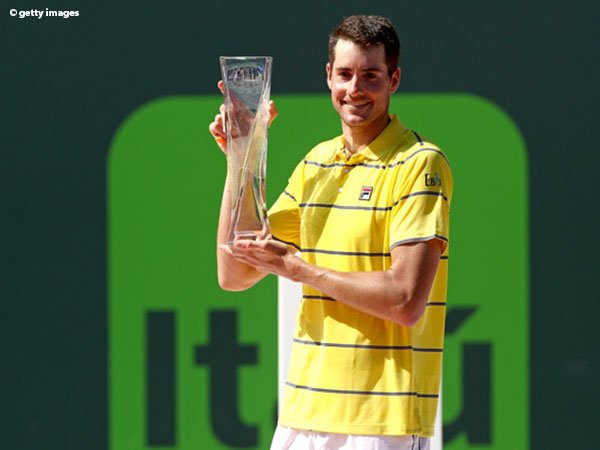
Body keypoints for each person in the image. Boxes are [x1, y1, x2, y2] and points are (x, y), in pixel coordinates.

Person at [209, 15, 452, 450]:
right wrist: (242, 157)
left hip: (384, 421)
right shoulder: (315, 163)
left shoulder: (421, 163)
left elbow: (404, 300)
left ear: (393, 80)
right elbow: (234, 271)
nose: (354, 89)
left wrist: (300, 270)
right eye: (344, 74)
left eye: (370, 76)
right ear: (328, 77)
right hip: (304, 415)